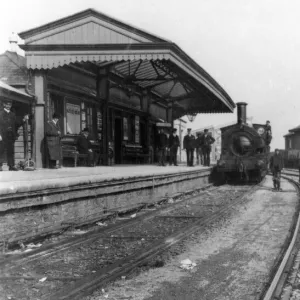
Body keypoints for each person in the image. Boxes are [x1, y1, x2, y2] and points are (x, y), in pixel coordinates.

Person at [0, 99, 29, 171]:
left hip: (10, 136)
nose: (8, 106)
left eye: (10, 105)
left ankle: (11, 166)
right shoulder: (1, 114)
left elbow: (16, 124)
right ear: (4, 105)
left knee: (10, 151)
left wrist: (23, 120)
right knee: (1, 150)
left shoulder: (12, 114)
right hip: (2, 135)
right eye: (7, 104)